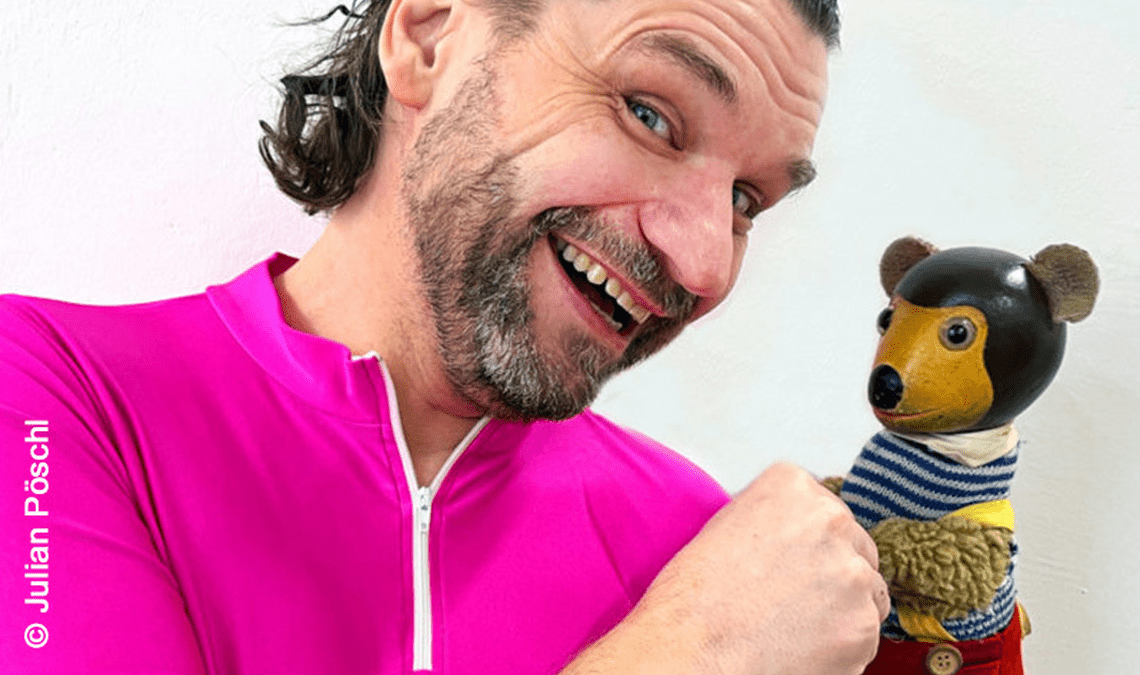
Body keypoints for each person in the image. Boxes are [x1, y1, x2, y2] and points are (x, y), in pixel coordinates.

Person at [0, 0, 888, 673]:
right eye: (649, 114)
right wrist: (690, 650)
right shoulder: (50, 396)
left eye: (745, 201)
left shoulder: (704, 543)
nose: (702, 264)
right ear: (427, 36)